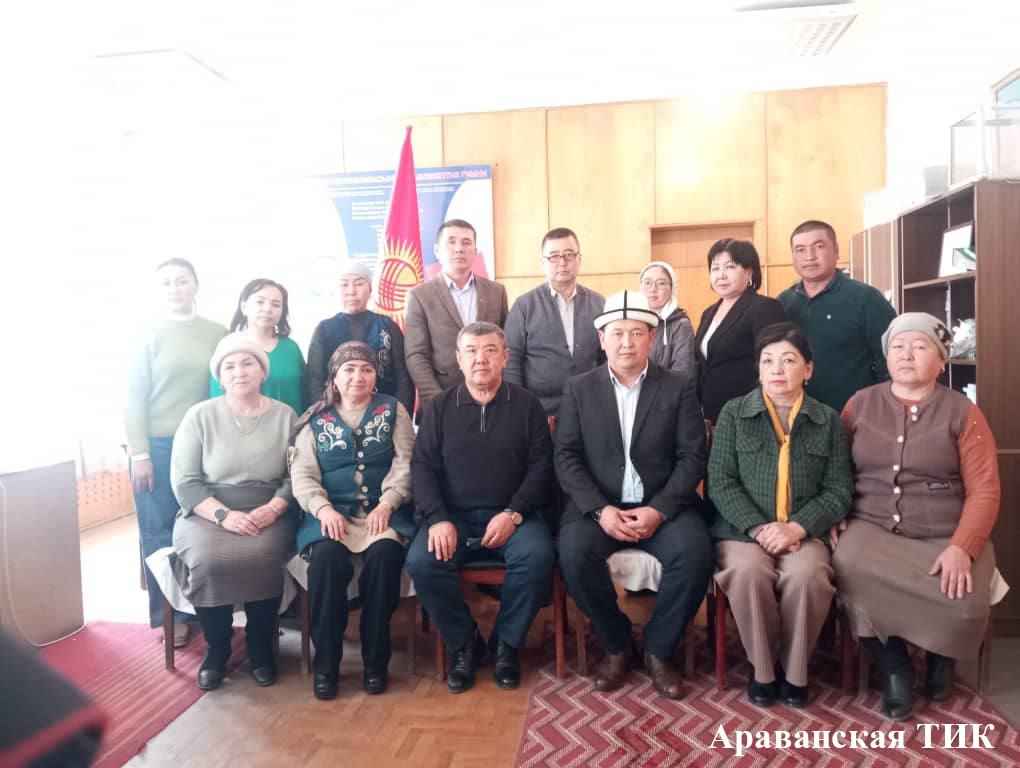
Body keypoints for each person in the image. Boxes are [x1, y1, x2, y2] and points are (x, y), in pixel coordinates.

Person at [831, 312, 1000, 721]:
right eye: (898, 346)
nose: (907, 354)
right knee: (845, 563)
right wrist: (834, 512)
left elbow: (985, 489)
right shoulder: (859, 404)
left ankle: (943, 655)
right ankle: (895, 668)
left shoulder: (963, 412)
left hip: (944, 530)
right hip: (870, 525)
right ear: (886, 356)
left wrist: (963, 547)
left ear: (941, 362)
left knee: (965, 601)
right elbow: (834, 471)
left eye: (920, 346)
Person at [556, 290, 711, 699]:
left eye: (637, 333)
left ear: (652, 337)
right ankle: (617, 643)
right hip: (599, 507)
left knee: (695, 554)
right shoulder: (578, 389)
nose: (626, 342)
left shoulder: (677, 388)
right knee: (573, 553)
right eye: (617, 333)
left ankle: (659, 648)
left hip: (663, 505)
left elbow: (692, 457)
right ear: (602, 339)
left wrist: (659, 510)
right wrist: (599, 510)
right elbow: (566, 456)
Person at [708, 322, 852, 708]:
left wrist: (798, 527)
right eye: (767, 360)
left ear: (808, 369)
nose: (777, 369)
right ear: (757, 369)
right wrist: (759, 528)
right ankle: (763, 669)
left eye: (788, 360)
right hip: (743, 530)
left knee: (808, 576)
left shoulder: (828, 420)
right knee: (747, 572)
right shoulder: (734, 413)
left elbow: (839, 489)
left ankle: (795, 671)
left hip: (804, 530)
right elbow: (720, 481)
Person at [406, 322, 554, 694]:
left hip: (514, 516)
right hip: (452, 518)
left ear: (505, 356)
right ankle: (464, 643)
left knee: (537, 557)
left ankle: (506, 643)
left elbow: (542, 467)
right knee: (423, 562)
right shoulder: (439, 408)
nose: (480, 359)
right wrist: (437, 519)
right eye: (471, 351)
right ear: (459, 359)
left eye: (490, 350)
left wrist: (514, 513)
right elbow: (422, 468)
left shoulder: (528, 405)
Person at [170, 333, 297, 691]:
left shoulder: (286, 416)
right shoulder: (199, 416)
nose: (239, 372)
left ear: (262, 372)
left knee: (263, 555)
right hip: (207, 512)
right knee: (207, 560)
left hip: (268, 510)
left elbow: (297, 476)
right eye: (229, 366)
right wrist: (224, 516)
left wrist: (274, 508)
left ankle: (261, 647)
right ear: (220, 377)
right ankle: (218, 648)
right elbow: (185, 482)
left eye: (247, 363)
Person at [290, 342, 416, 700]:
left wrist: (389, 503)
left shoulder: (393, 410)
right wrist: (322, 509)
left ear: (376, 377)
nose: (357, 377)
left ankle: (376, 662)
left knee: (385, 558)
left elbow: (407, 462)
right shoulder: (316, 418)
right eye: (349, 369)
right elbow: (303, 474)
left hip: (382, 512)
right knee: (326, 563)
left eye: (366, 369)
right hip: (331, 515)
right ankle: (326, 665)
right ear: (334, 377)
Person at [125, 258, 227, 647]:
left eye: (181, 281)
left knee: (200, 526)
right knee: (159, 531)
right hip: (157, 445)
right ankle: (168, 615)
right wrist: (139, 453)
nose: (174, 289)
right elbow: (132, 397)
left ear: (196, 284)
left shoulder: (217, 332)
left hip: (204, 442)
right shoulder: (146, 334)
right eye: (166, 283)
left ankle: (202, 605)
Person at [778, 220, 897, 412]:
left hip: (853, 415)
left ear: (836, 251)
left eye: (819, 246)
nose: (809, 256)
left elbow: (891, 356)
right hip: (795, 415)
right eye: (800, 249)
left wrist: (878, 405)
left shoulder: (865, 298)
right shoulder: (783, 302)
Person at [404, 220, 509, 410]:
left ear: (475, 251)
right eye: (451, 242)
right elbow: (416, 355)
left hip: (491, 397)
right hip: (442, 399)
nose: (459, 248)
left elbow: (505, 346)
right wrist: (438, 401)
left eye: (466, 242)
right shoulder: (419, 296)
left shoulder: (496, 292)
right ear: (437, 250)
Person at [504, 227, 604, 416]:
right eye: (554, 256)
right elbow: (511, 361)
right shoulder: (524, 306)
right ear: (543, 262)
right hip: (539, 410)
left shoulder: (599, 303)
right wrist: (518, 406)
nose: (562, 262)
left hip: (590, 407)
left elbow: (606, 357)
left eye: (569, 255)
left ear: (579, 259)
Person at [695, 239, 786, 424]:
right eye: (715, 268)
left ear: (749, 271)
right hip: (710, 413)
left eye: (729, 267)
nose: (721, 275)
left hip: (748, 413)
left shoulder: (764, 308)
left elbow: (772, 364)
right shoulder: (708, 313)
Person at [306, 258, 414, 413]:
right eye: (344, 284)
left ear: (370, 290)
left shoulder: (387, 326)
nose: (351, 291)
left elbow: (404, 379)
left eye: (358, 283)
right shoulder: (324, 329)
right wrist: (327, 417)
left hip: (385, 413)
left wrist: (398, 415)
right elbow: (314, 380)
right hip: (336, 416)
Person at [211, 278, 306, 415]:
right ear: (244, 307)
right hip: (239, 426)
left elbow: (305, 391)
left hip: (289, 424)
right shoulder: (229, 346)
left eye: (275, 304)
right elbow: (217, 398)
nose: (267, 309)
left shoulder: (291, 348)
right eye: (260, 302)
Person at [638, 261, 695, 380]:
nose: (653, 289)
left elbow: (683, 374)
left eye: (661, 283)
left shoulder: (681, 325)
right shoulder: (634, 321)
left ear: (672, 288)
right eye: (647, 282)